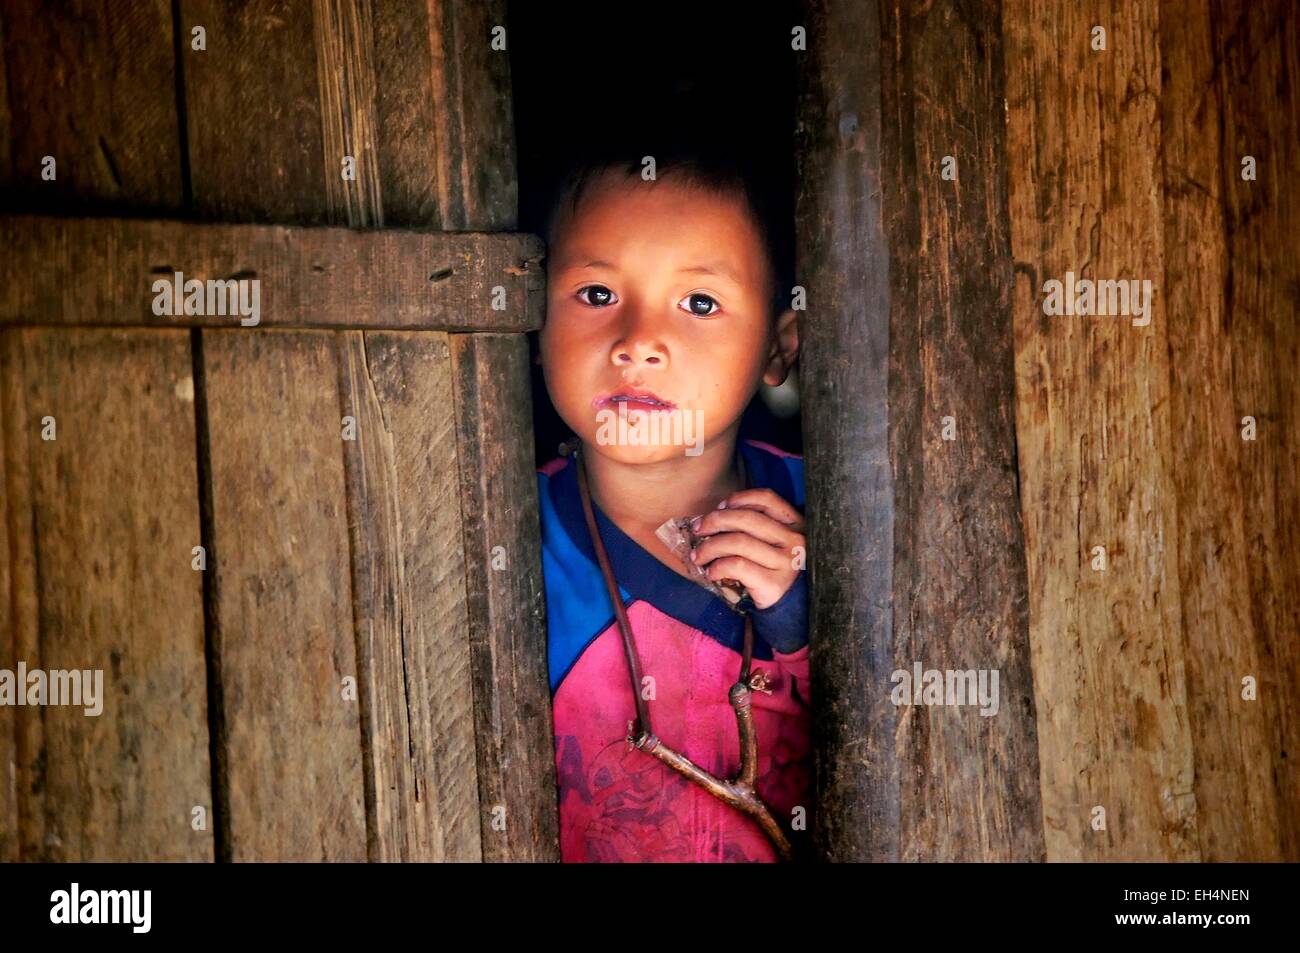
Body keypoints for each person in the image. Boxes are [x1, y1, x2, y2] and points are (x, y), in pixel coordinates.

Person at [534, 145, 809, 862]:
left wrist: (804, 626)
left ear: (778, 349)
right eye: (597, 295)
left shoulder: (838, 510)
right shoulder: (502, 533)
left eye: (699, 303)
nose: (639, 343)